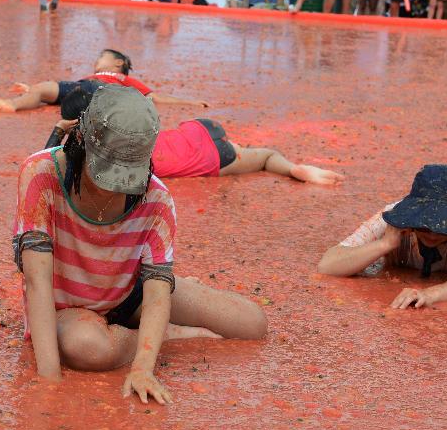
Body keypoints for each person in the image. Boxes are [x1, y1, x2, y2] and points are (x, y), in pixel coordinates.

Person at [14, 84, 267, 404]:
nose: (113, 190)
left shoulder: (157, 197)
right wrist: (48, 379)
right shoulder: (41, 174)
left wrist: (143, 369)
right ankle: (170, 335)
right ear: (80, 141)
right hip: (67, 309)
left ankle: (153, 327)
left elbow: (158, 287)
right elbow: (37, 280)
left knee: (252, 323)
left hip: (131, 289)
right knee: (87, 347)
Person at [48, 86, 346, 185]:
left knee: (261, 159)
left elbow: (49, 166)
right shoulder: (124, 119)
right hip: (198, 128)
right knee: (266, 155)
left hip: (208, 158)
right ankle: (293, 166)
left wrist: (58, 130)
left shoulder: (102, 158)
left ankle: (295, 170)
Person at [318, 164, 447, 309]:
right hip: (422, 202)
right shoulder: (391, 216)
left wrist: (428, 294)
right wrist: (385, 244)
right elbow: (327, 265)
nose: (432, 233)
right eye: (425, 224)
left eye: (442, 228)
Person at [0, 49, 208, 113]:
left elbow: (154, 96)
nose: (97, 60)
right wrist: (30, 90)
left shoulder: (122, 78)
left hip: (103, 91)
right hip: (78, 87)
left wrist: (190, 103)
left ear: (118, 63)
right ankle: (13, 103)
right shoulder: (89, 75)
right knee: (42, 88)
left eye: (102, 56)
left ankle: (20, 100)